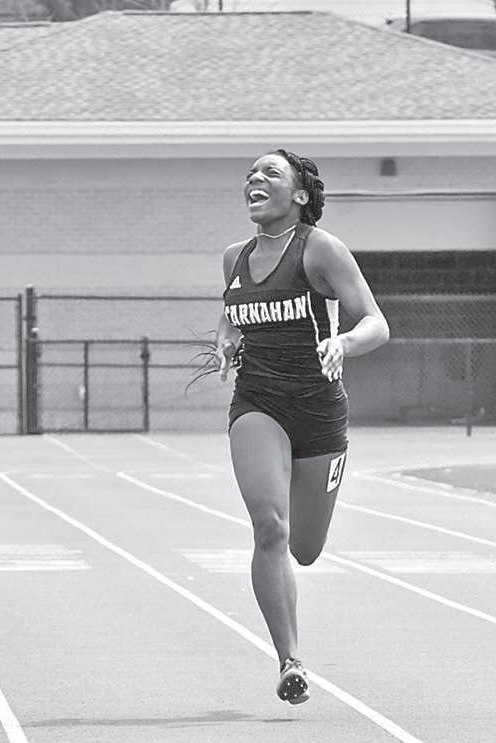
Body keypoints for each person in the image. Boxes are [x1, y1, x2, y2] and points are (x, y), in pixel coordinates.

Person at [211, 149, 389, 705]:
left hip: (318, 409)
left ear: (300, 195)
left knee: (306, 549)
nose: (255, 179)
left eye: (271, 173)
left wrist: (343, 342)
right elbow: (233, 311)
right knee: (270, 528)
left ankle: (301, 525)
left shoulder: (320, 249)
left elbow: (376, 323)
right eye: (251, 173)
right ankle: (290, 660)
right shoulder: (234, 257)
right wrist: (226, 339)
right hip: (257, 404)